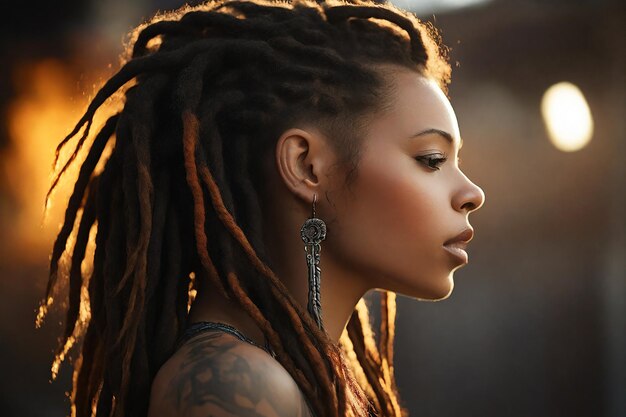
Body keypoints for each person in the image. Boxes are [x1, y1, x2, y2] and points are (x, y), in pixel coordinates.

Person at [38, 0, 485, 416]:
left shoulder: (298, 376)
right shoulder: (230, 386)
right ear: (306, 166)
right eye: (432, 160)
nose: (471, 193)